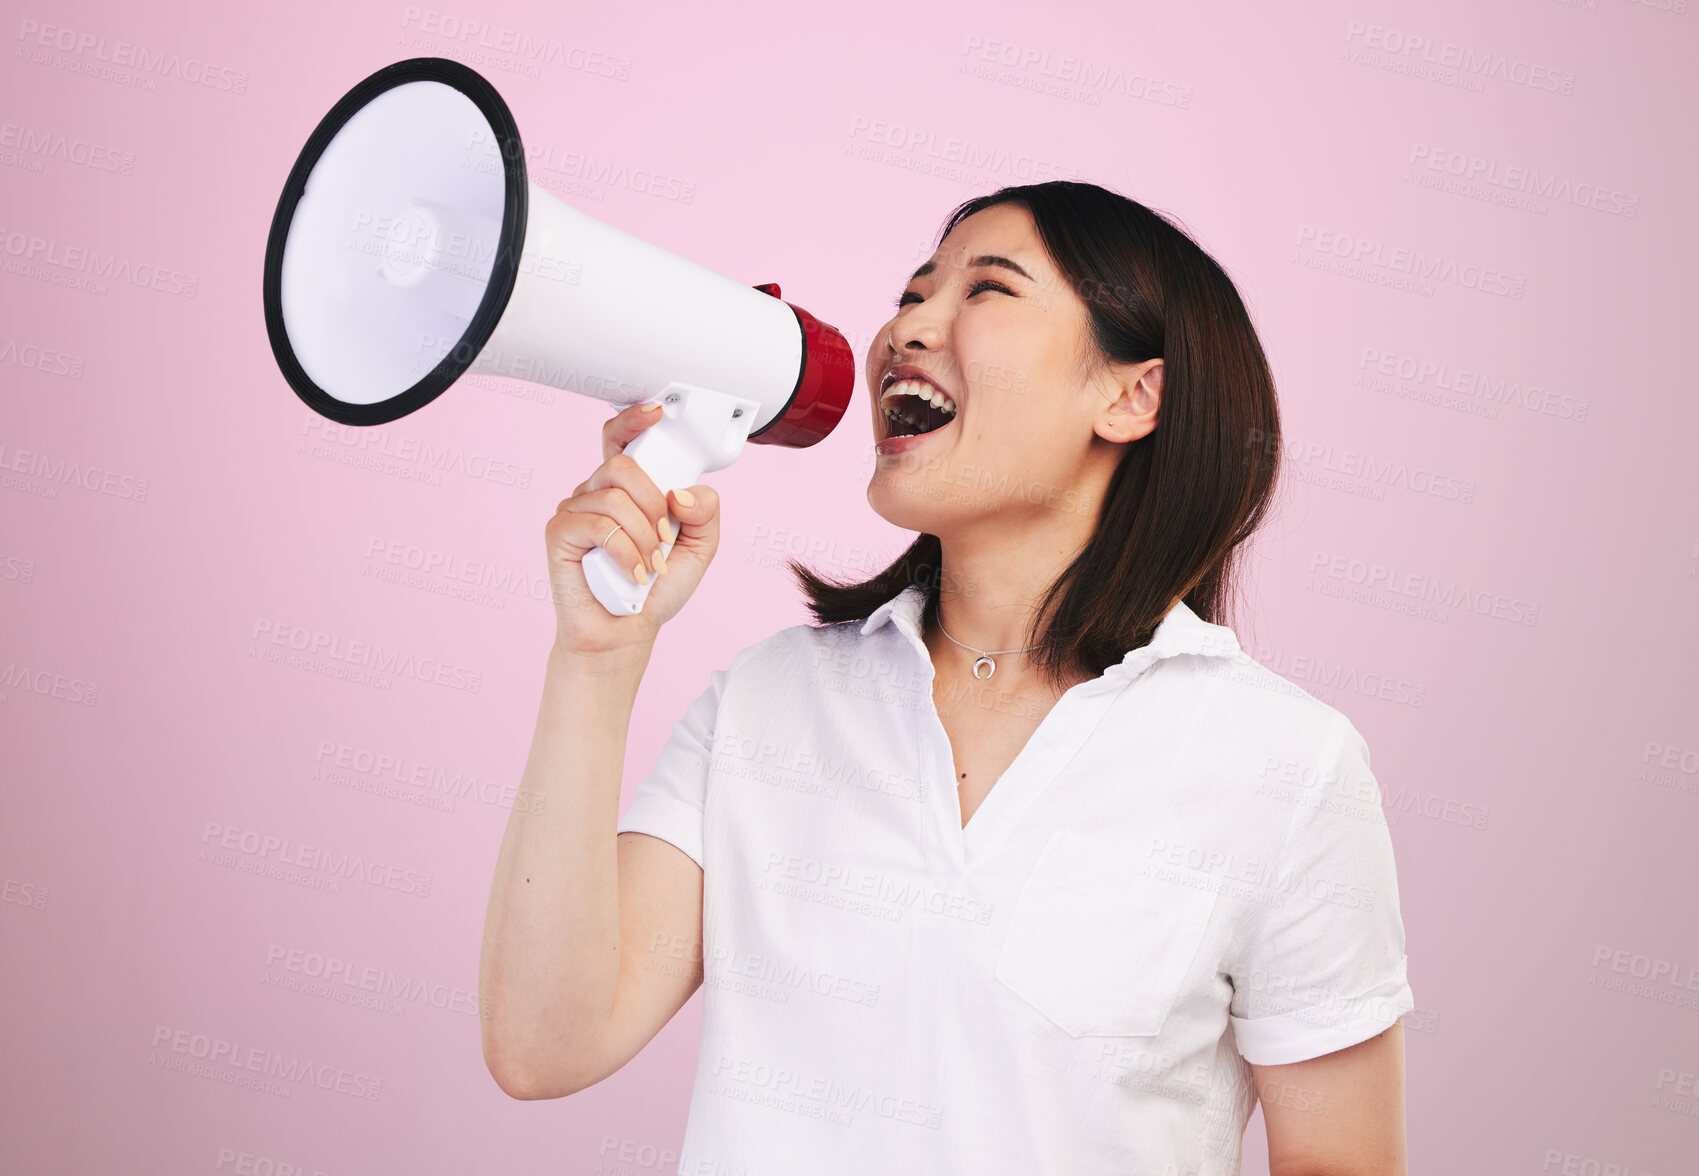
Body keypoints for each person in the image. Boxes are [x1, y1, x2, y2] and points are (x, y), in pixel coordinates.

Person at [478, 180, 1414, 1175]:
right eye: (914, 292)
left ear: (1129, 394)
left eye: (987, 290)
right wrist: (597, 657)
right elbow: (545, 1044)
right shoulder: (768, 703)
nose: (907, 325)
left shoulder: (1283, 766)